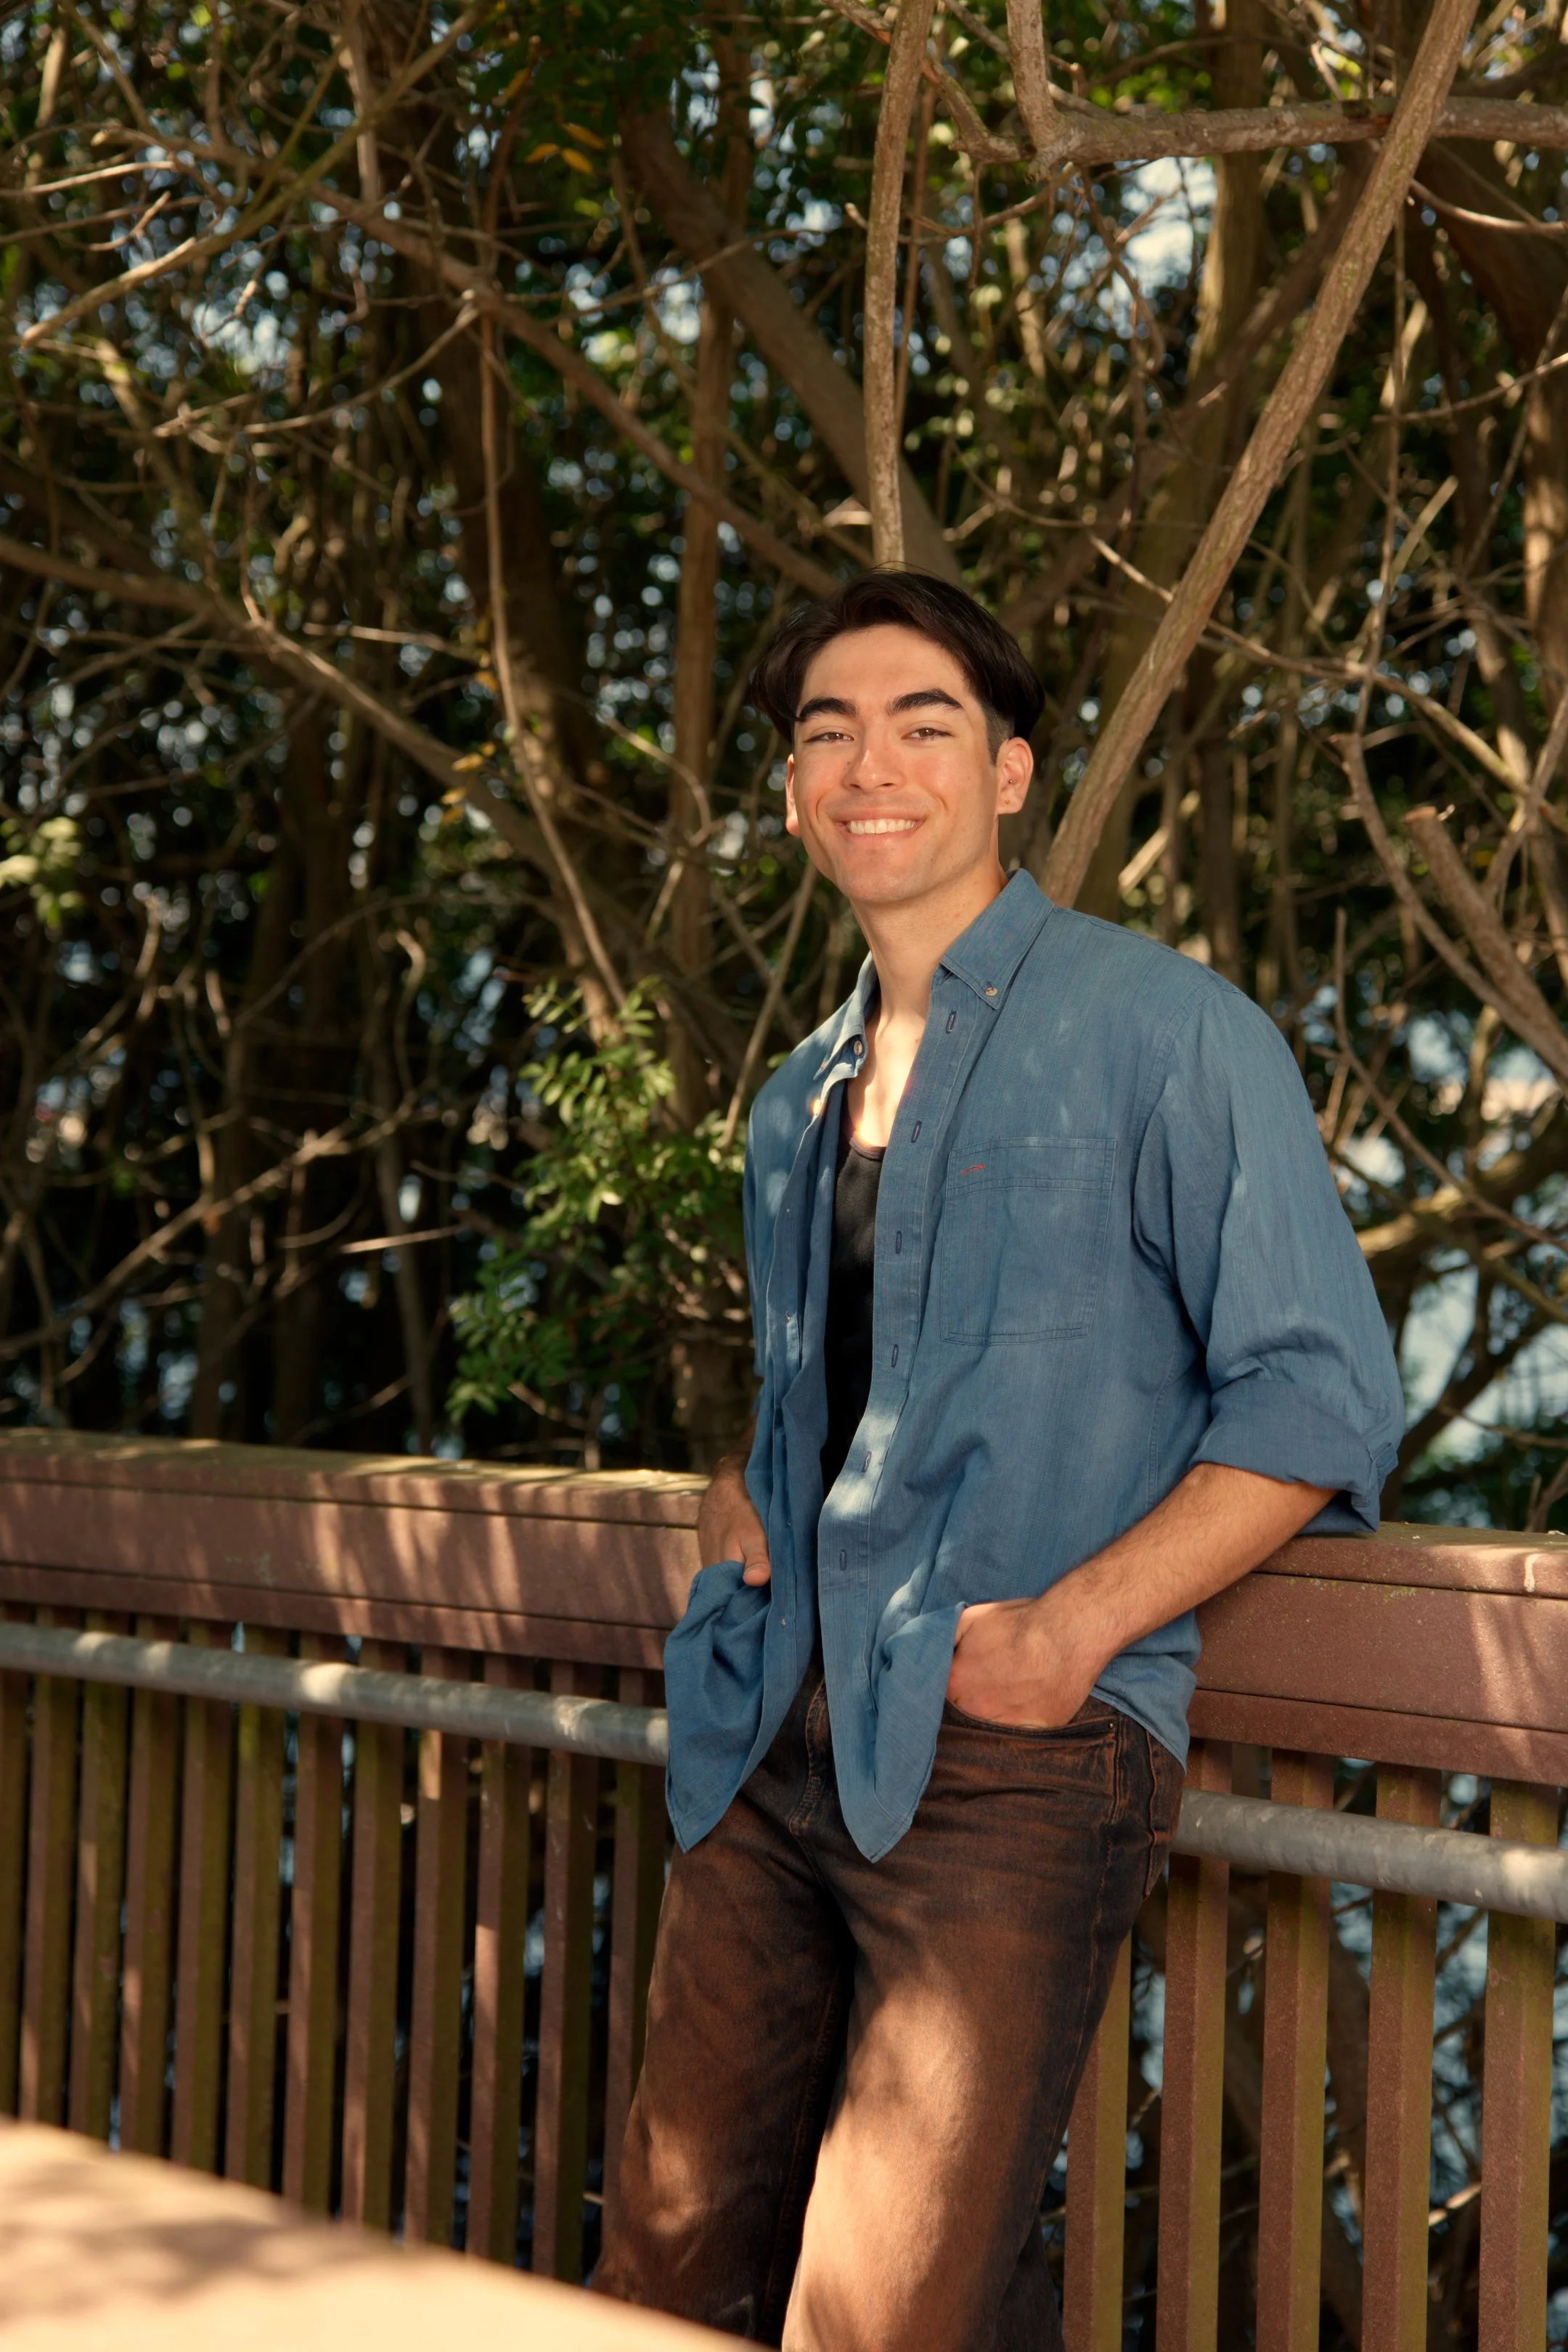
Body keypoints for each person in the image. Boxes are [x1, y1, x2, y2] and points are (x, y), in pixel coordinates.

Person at [592, 571, 1402, 2351]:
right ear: (792, 793)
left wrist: (1073, 1631)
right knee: (661, 2278)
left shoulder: (1170, 1033)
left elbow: (1319, 1396)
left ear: (1012, 772)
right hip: (771, 1734)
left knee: (878, 2316)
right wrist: (750, 1482)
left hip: (1011, 1766)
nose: (870, 765)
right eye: (827, 733)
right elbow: (840, 1393)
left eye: (923, 724)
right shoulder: (794, 1101)